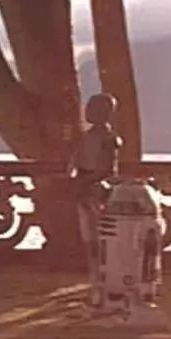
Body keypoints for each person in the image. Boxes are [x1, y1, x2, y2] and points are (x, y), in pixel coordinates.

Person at [68, 93, 121, 307]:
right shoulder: (84, 137)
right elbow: (73, 163)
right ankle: (96, 281)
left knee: (100, 240)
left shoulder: (109, 139)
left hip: (98, 192)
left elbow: (108, 170)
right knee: (89, 239)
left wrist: (88, 182)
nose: (88, 111)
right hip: (85, 190)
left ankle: (102, 282)